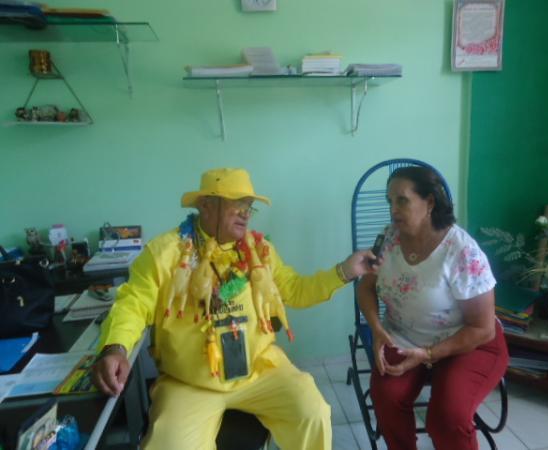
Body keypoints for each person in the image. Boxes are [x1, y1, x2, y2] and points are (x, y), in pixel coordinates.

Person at [91, 167, 375, 450]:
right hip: (190, 382)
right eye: (237, 204)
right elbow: (133, 303)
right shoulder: (165, 253)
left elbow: (296, 290)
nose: (245, 213)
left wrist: (344, 271)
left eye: (249, 207)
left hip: (260, 371)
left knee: (313, 413)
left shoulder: (260, 252)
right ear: (206, 204)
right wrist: (115, 347)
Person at [357, 165, 508, 450]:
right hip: (403, 336)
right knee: (386, 399)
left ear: (429, 203)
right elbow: (365, 287)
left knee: (447, 416)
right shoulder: (389, 237)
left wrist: (428, 354)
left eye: (402, 200)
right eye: (390, 201)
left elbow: (483, 329)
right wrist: (377, 330)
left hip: (468, 342)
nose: (393, 210)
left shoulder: (462, 251)